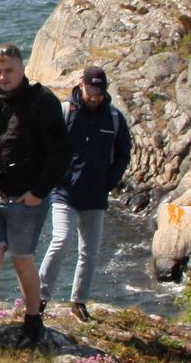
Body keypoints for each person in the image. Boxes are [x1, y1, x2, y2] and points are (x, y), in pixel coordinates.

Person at [0, 44, 68, 350]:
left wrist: (38, 192)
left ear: (22, 68)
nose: (3, 76)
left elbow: (61, 153)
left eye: (8, 70)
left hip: (25, 200)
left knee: (22, 261)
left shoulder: (42, 101)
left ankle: (33, 320)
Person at [36, 65, 132, 323]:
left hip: (96, 196)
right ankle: (39, 299)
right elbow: (47, 147)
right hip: (64, 192)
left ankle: (78, 303)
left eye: (99, 91)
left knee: (90, 252)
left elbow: (124, 152)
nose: (95, 96)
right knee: (61, 240)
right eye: (91, 90)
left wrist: (110, 181)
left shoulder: (113, 118)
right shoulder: (66, 113)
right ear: (81, 85)